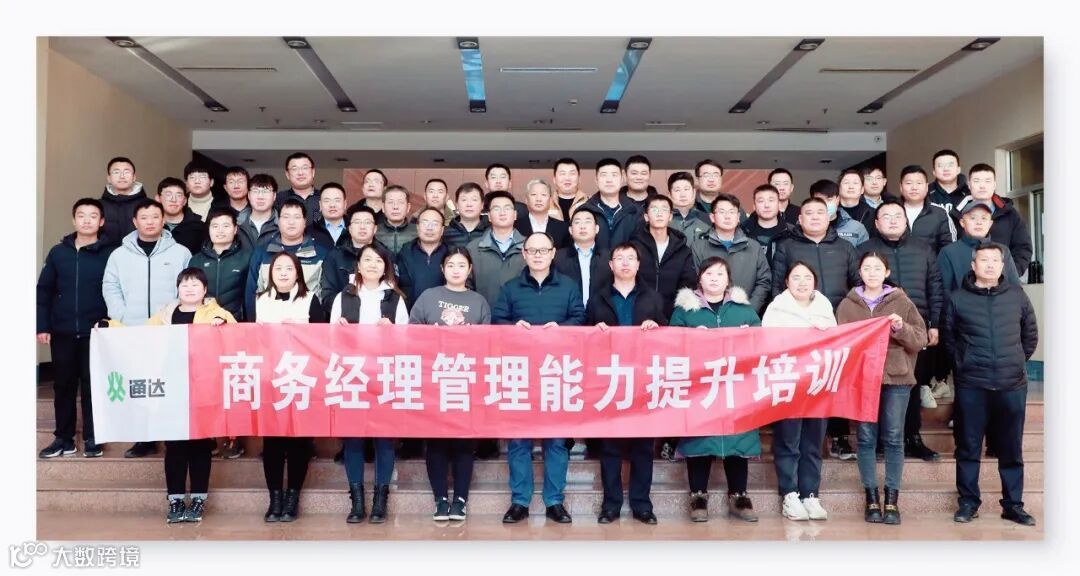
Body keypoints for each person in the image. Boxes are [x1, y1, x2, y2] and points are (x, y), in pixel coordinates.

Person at [942, 243, 1039, 526]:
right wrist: (964, 363)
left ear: (1002, 265)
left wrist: (1015, 360)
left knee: (1011, 449)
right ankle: (968, 502)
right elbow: (949, 339)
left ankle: (1013, 505)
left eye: (995, 260)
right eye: (984, 260)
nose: (990, 265)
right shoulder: (958, 298)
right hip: (972, 384)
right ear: (973, 265)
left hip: (1011, 384)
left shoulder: (1017, 295)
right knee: (968, 447)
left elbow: (1030, 335)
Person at [492, 232, 585, 524]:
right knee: (519, 440)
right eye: (532, 250)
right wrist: (513, 327)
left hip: (556, 373)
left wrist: (562, 328)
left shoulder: (568, 286)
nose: (538, 255)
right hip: (520, 374)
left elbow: (580, 318)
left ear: (553, 253)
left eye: (543, 250)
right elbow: (497, 320)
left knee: (556, 441)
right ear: (524, 254)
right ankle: (520, 501)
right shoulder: (510, 288)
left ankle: (554, 501)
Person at [837, 252, 928, 525]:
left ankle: (891, 499)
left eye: (878, 268)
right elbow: (840, 343)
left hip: (897, 378)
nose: (872, 272)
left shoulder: (902, 301)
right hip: (862, 379)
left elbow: (920, 339)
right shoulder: (847, 305)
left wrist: (900, 328)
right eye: (867, 268)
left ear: (886, 272)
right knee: (865, 438)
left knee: (893, 437)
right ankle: (871, 498)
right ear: (860, 272)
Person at [670, 256, 761, 523]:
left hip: (736, 386)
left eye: (720, 274)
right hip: (700, 386)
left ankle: (739, 495)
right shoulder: (685, 310)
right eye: (709, 273)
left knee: (738, 437)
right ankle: (698, 495)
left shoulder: (744, 310)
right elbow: (670, 344)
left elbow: (761, 342)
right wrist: (690, 338)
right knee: (700, 437)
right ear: (700, 278)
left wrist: (748, 338)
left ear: (728, 280)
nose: (714, 278)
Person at [144, 267, 236, 523]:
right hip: (172, 387)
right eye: (185, 284)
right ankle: (175, 500)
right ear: (178, 289)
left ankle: (198, 500)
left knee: (200, 445)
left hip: (204, 388)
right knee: (174, 445)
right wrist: (109, 326)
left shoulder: (218, 313)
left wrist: (223, 325)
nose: (190, 288)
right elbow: (138, 337)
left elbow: (236, 335)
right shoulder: (164, 315)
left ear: (205, 289)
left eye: (195, 284)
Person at [101, 198, 192, 459]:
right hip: (133, 331)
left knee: (171, 384)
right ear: (135, 221)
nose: (150, 222)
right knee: (141, 384)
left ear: (163, 220)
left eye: (155, 217)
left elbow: (188, 286)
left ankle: (174, 434)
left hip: (169, 330)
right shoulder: (119, 255)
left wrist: (173, 314)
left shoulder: (180, 253)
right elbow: (110, 286)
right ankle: (145, 438)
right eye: (144, 217)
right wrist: (122, 315)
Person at [769, 198, 859, 459]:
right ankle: (792, 441)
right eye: (809, 213)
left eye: (821, 212)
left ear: (830, 217)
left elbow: (857, 284)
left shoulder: (845, 247)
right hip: (798, 329)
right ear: (800, 219)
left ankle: (839, 437)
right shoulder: (787, 246)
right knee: (801, 385)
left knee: (833, 380)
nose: (815, 217)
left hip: (835, 325)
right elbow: (777, 285)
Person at [858, 199, 945, 462]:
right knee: (877, 386)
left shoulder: (923, 249)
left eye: (898, 215)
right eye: (886, 216)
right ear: (876, 223)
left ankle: (912, 437)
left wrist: (934, 323)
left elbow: (935, 286)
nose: (893, 220)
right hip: (875, 330)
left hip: (914, 329)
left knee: (912, 383)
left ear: (906, 221)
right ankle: (880, 441)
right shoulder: (864, 250)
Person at [409, 247, 491, 522]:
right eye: (451, 265)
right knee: (436, 442)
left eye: (461, 265)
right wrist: (428, 336)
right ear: (442, 269)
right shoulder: (428, 297)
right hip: (434, 380)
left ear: (470, 270)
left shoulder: (478, 301)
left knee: (463, 442)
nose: (456, 270)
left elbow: (487, 343)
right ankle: (440, 499)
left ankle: (460, 500)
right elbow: (410, 335)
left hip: (466, 380)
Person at [329, 243, 409, 524]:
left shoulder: (395, 298)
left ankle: (379, 501)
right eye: (367, 260)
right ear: (359, 266)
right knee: (353, 439)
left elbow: (407, 343)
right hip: (352, 375)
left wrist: (393, 332)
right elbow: (330, 341)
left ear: (386, 266)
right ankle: (357, 502)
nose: (373, 265)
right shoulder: (344, 296)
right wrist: (339, 330)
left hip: (384, 375)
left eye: (378, 261)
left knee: (384, 440)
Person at [586, 243, 665, 525]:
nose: (625, 263)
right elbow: (583, 338)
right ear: (611, 265)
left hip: (643, 380)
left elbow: (667, 336)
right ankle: (611, 505)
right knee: (610, 447)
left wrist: (657, 329)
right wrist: (595, 332)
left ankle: (642, 505)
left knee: (643, 447)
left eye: (631, 258)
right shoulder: (598, 299)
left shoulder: (652, 297)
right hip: (609, 381)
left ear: (638, 264)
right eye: (619, 258)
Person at [37, 198, 115, 459]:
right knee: (63, 386)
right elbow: (44, 290)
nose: (87, 220)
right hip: (63, 330)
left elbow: (116, 290)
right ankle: (64, 438)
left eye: (93, 216)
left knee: (93, 386)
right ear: (74, 220)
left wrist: (110, 322)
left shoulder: (110, 253)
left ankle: (94, 437)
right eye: (81, 215)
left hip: (97, 332)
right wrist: (42, 325)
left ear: (101, 221)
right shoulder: (58, 253)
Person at [255, 251, 329, 523]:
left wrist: (299, 329)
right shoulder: (261, 300)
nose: (283, 273)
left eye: (289, 268)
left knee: (298, 440)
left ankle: (292, 498)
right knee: (272, 441)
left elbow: (322, 341)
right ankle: (274, 498)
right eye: (278, 269)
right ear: (270, 274)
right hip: (271, 378)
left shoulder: (310, 300)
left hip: (302, 378)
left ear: (298, 272)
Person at [761, 262, 837, 521]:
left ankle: (811, 494)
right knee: (788, 441)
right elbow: (767, 346)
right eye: (796, 277)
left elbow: (837, 344)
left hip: (817, 384)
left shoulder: (824, 307)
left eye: (807, 277)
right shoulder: (776, 309)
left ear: (815, 282)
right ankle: (790, 494)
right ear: (786, 282)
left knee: (813, 443)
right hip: (789, 383)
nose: (802, 282)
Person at [245, 199, 330, 320]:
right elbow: (251, 291)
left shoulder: (321, 253)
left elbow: (325, 293)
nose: (291, 222)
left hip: (306, 320)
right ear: (278, 221)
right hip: (268, 320)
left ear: (305, 222)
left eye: (297, 217)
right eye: (286, 217)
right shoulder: (262, 252)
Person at [691, 193, 772, 313]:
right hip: (709, 314)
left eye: (732, 212)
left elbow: (764, 282)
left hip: (746, 314)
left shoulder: (754, 247)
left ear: (738, 217)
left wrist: (749, 310)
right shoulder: (699, 247)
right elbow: (695, 282)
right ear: (712, 217)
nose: (727, 216)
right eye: (722, 212)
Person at [954, 163, 1034, 274]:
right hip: (965, 281)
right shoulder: (956, 214)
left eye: (987, 181)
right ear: (969, 184)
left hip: (1003, 281)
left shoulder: (1010, 214)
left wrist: (1009, 274)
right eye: (977, 181)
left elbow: (1023, 248)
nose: (982, 186)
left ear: (994, 185)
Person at [631, 195, 696, 319]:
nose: (659, 214)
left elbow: (688, 286)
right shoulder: (634, 247)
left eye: (664, 209)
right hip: (638, 315)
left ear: (670, 216)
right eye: (654, 209)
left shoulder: (682, 250)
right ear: (646, 217)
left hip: (672, 317)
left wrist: (678, 316)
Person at [938, 201, 1022, 295]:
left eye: (983, 218)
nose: (979, 222)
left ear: (990, 223)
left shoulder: (1002, 250)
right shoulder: (949, 252)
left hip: (1001, 303)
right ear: (962, 222)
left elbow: (1016, 289)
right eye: (973, 218)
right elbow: (943, 292)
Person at [321, 205, 391, 310]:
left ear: (375, 228)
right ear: (349, 228)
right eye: (357, 222)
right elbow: (328, 295)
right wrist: (350, 310)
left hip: (379, 314)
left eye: (367, 222)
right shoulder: (334, 256)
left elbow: (392, 292)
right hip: (343, 315)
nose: (362, 227)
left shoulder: (386, 255)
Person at [189, 207, 252, 323]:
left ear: (235, 229)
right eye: (215, 226)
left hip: (236, 322)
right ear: (209, 229)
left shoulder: (247, 258)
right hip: (204, 322)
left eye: (226, 226)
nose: (220, 231)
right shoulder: (196, 260)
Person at [465, 191, 526, 308]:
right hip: (483, 315)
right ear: (489, 216)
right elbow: (466, 286)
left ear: (515, 215)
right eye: (496, 208)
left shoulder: (530, 247)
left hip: (520, 315)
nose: (502, 213)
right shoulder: (473, 248)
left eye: (507, 208)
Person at [554, 205, 612, 309]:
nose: (582, 226)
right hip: (568, 313)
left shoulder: (609, 257)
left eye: (587, 222)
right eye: (577, 222)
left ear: (597, 229)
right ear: (570, 230)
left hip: (601, 315)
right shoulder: (558, 258)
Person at [582, 158, 644, 251]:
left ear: (622, 179)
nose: (609, 180)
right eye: (604, 175)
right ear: (596, 180)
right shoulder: (584, 210)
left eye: (614, 175)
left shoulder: (636, 211)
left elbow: (640, 247)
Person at [396, 207, 450, 306]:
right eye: (425, 223)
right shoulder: (405, 253)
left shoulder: (451, 254)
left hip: (443, 311)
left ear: (442, 229)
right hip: (410, 311)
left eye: (435, 224)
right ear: (417, 227)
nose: (429, 228)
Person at [899, 165, 957, 253]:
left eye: (919, 183)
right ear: (901, 187)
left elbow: (949, 247)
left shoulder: (940, 213)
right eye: (908, 183)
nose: (914, 187)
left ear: (926, 187)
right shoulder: (890, 211)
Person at [99, 157, 148, 247]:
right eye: (116, 172)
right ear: (109, 178)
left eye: (126, 172)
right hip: (106, 255)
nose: (122, 176)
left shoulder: (148, 205)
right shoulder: (98, 206)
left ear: (134, 177)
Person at [741, 184, 792, 266]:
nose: (766, 205)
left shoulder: (791, 232)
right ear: (754, 206)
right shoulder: (742, 232)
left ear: (779, 205)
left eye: (771, 200)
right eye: (761, 201)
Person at [809, 179, 869, 247]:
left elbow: (864, 252)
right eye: (820, 200)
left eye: (829, 199)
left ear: (838, 199)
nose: (825, 204)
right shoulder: (804, 227)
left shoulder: (856, 228)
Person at [156, 177, 207, 255]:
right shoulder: (152, 225)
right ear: (158, 198)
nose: (173, 200)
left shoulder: (199, 227)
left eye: (178, 195)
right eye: (168, 194)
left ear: (185, 201)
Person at [514, 178, 569, 248]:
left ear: (550, 200)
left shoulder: (563, 228)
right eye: (533, 194)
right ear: (526, 200)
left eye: (543, 195)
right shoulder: (515, 226)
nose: (538, 199)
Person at [274, 152, 320, 225]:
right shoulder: (278, 199)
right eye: (294, 169)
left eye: (305, 168)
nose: (300, 173)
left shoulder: (325, 198)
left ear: (313, 172)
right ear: (287, 174)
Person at [238, 173, 280, 248]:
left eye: (265, 191)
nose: (260, 197)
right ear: (249, 195)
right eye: (255, 191)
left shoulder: (282, 225)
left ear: (274, 196)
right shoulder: (236, 224)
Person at [443, 182, 490, 249]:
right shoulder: (446, 233)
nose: (469, 204)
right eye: (464, 200)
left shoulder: (491, 231)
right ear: (457, 205)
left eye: (474, 200)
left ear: (482, 205)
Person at [668, 171, 711, 241]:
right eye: (677, 190)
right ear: (669, 195)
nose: (683, 195)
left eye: (686, 189)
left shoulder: (707, 219)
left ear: (694, 192)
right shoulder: (663, 219)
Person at [928, 149, 969, 216]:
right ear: (934, 172)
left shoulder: (969, 193)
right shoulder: (925, 193)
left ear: (958, 169)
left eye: (950, 165)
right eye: (940, 165)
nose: (946, 169)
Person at [310, 182, 350, 250]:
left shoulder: (355, 228)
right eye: (327, 201)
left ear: (345, 204)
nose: (332, 205)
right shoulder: (310, 231)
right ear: (320, 205)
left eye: (337, 200)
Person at [553, 158, 589, 222]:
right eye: (562, 173)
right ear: (554, 179)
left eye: (572, 173)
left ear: (579, 179)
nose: (567, 178)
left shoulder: (589, 203)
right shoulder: (546, 203)